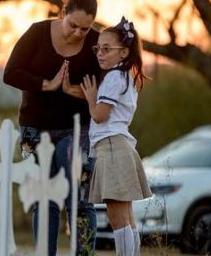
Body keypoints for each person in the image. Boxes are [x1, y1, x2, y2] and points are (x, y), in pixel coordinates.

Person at [3, 0, 100, 256]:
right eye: (73, 25)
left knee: (80, 198)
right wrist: (47, 84)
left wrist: (75, 91)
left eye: (85, 28)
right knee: (43, 198)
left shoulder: (96, 42)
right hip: (33, 129)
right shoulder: (37, 32)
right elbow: (10, 73)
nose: (79, 33)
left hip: (77, 129)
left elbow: (104, 88)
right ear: (63, 13)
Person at [80, 17, 153, 256]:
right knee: (127, 215)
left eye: (107, 49)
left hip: (111, 147)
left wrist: (92, 98)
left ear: (123, 52)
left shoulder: (113, 77)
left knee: (117, 216)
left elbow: (100, 115)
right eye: (98, 48)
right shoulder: (126, 76)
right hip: (119, 146)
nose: (100, 53)